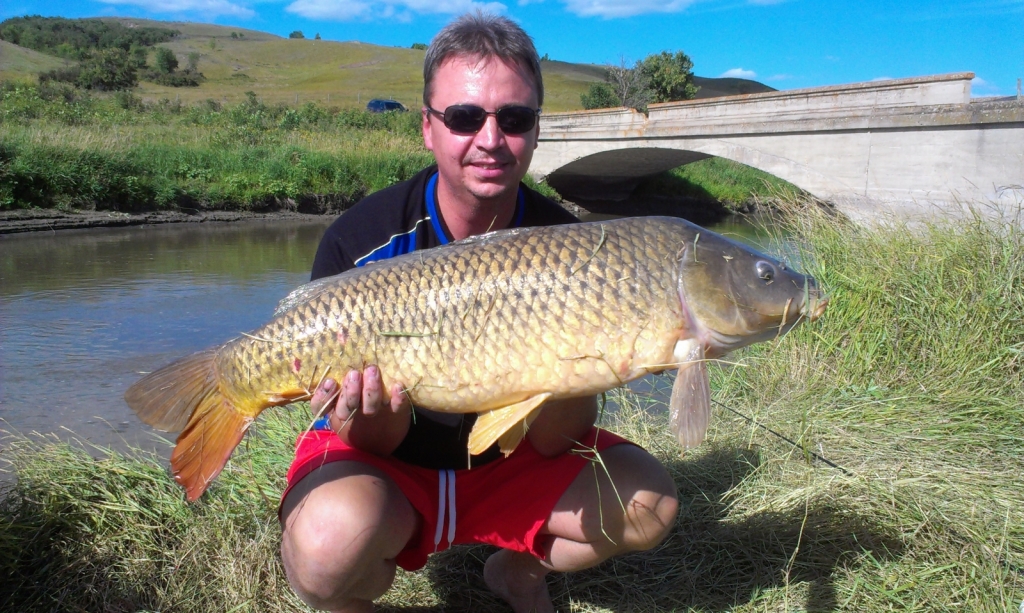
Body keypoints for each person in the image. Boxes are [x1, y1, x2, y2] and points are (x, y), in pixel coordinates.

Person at [279, 13, 679, 613]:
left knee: (649, 506)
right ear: (428, 127)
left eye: (513, 119)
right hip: (387, 467)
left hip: (510, 463)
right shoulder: (360, 244)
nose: (490, 138)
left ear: (536, 130)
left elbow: (557, 440)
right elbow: (370, 439)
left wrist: (583, 369)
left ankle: (517, 573)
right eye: (465, 117)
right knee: (325, 550)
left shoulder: (576, 249)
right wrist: (371, 408)